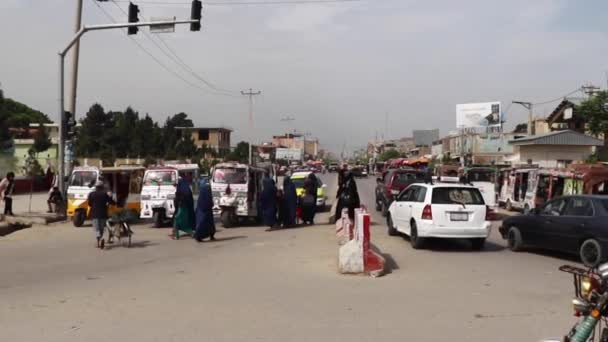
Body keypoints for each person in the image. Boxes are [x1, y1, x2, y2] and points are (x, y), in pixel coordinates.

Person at [87, 181, 115, 248]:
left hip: (95, 214)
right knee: (102, 228)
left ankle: (99, 241)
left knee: (97, 229)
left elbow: (89, 204)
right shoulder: (105, 194)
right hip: (103, 214)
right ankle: (101, 238)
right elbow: (111, 202)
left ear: (96, 187)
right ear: (102, 187)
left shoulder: (91, 194)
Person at [193, 178, 216, 242]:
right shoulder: (207, 188)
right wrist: (211, 204)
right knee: (205, 223)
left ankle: (201, 236)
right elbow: (209, 198)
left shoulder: (203, 188)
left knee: (203, 223)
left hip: (202, 208)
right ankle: (199, 236)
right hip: (205, 209)